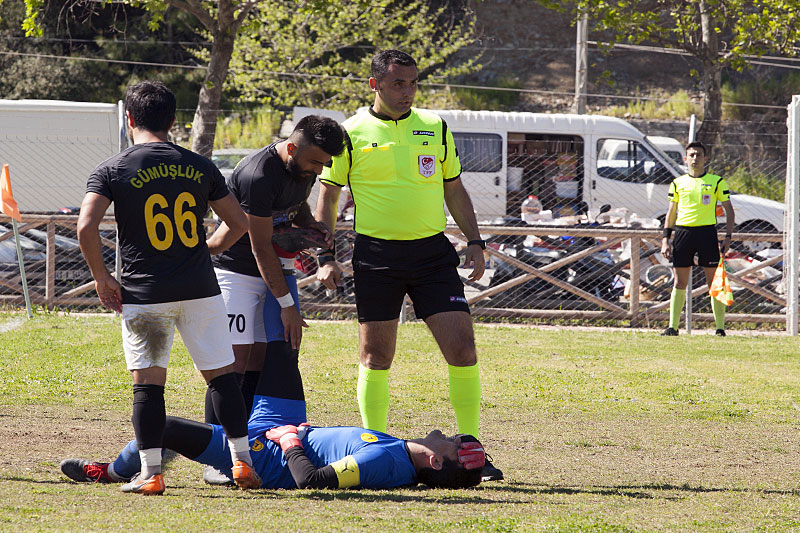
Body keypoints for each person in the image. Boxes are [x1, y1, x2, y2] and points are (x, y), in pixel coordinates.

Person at [313, 49, 502, 481]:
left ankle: (470, 449)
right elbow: (327, 196)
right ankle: (373, 449)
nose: (407, 91)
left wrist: (475, 241)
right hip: (376, 256)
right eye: (398, 83)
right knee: (376, 356)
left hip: (432, 254)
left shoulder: (434, 127)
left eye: (413, 82)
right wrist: (325, 255)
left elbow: (453, 188)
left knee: (463, 349)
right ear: (374, 85)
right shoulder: (351, 132)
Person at [76, 80, 260, 495]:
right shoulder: (200, 165)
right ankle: (243, 464)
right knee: (222, 379)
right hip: (200, 290)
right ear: (173, 121)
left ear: (129, 119)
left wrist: (103, 278)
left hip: (145, 294)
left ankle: (152, 474)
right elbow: (240, 223)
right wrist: (208, 248)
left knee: (148, 385)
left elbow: (85, 226)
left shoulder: (112, 168)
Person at [59, 335, 488, 491]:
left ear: (435, 461)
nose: (449, 435)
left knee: (167, 425)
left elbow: (311, 481)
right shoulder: (406, 455)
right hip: (282, 428)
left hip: (265, 453)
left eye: (452, 443)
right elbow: (465, 468)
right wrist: (478, 463)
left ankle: (114, 470)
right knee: (279, 346)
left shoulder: (385, 462)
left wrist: (290, 441)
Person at [202, 115, 345, 484]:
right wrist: (288, 307)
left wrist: (310, 224)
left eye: (324, 165)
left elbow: (295, 207)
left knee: (262, 359)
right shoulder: (258, 174)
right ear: (293, 148)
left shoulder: (304, 166)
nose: (318, 170)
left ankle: (244, 447)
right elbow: (260, 245)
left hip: (273, 269)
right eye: (315, 162)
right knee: (231, 363)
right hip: (236, 271)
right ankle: (215, 458)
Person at [660, 141, 735, 336]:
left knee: (714, 282)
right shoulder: (677, 183)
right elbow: (671, 212)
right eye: (691, 155)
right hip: (683, 233)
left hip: (707, 234)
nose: (695, 158)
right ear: (685, 158)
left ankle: (720, 328)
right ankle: (673, 327)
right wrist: (665, 239)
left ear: (705, 158)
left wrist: (728, 236)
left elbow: (728, 209)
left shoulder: (717, 181)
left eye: (698, 155)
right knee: (679, 282)